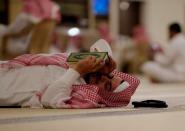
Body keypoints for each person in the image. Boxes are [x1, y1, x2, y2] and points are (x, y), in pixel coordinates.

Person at [0, 39, 140, 108]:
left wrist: (76, 71)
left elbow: (48, 99)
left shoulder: (81, 96)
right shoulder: (82, 69)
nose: (102, 78)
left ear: (104, 96)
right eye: (108, 76)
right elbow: (99, 44)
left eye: (107, 86)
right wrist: (106, 60)